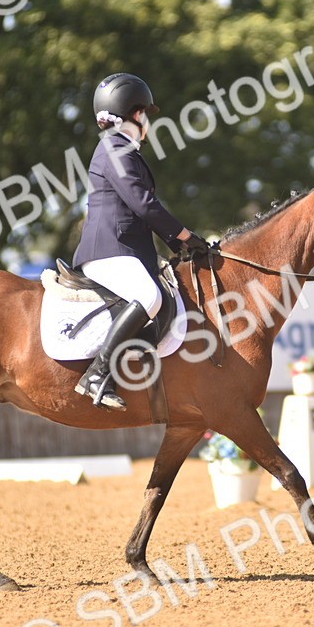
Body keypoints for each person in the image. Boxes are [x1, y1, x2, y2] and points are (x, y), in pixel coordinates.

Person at [72, 72, 208, 410]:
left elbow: (142, 207)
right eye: (145, 112)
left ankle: (132, 358)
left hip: (124, 249)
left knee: (164, 295)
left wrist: (177, 244)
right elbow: (143, 204)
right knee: (148, 295)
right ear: (134, 113)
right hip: (109, 249)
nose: (148, 120)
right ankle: (96, 373)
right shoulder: (114, 148)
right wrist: (186, 235)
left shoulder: (120, 149)